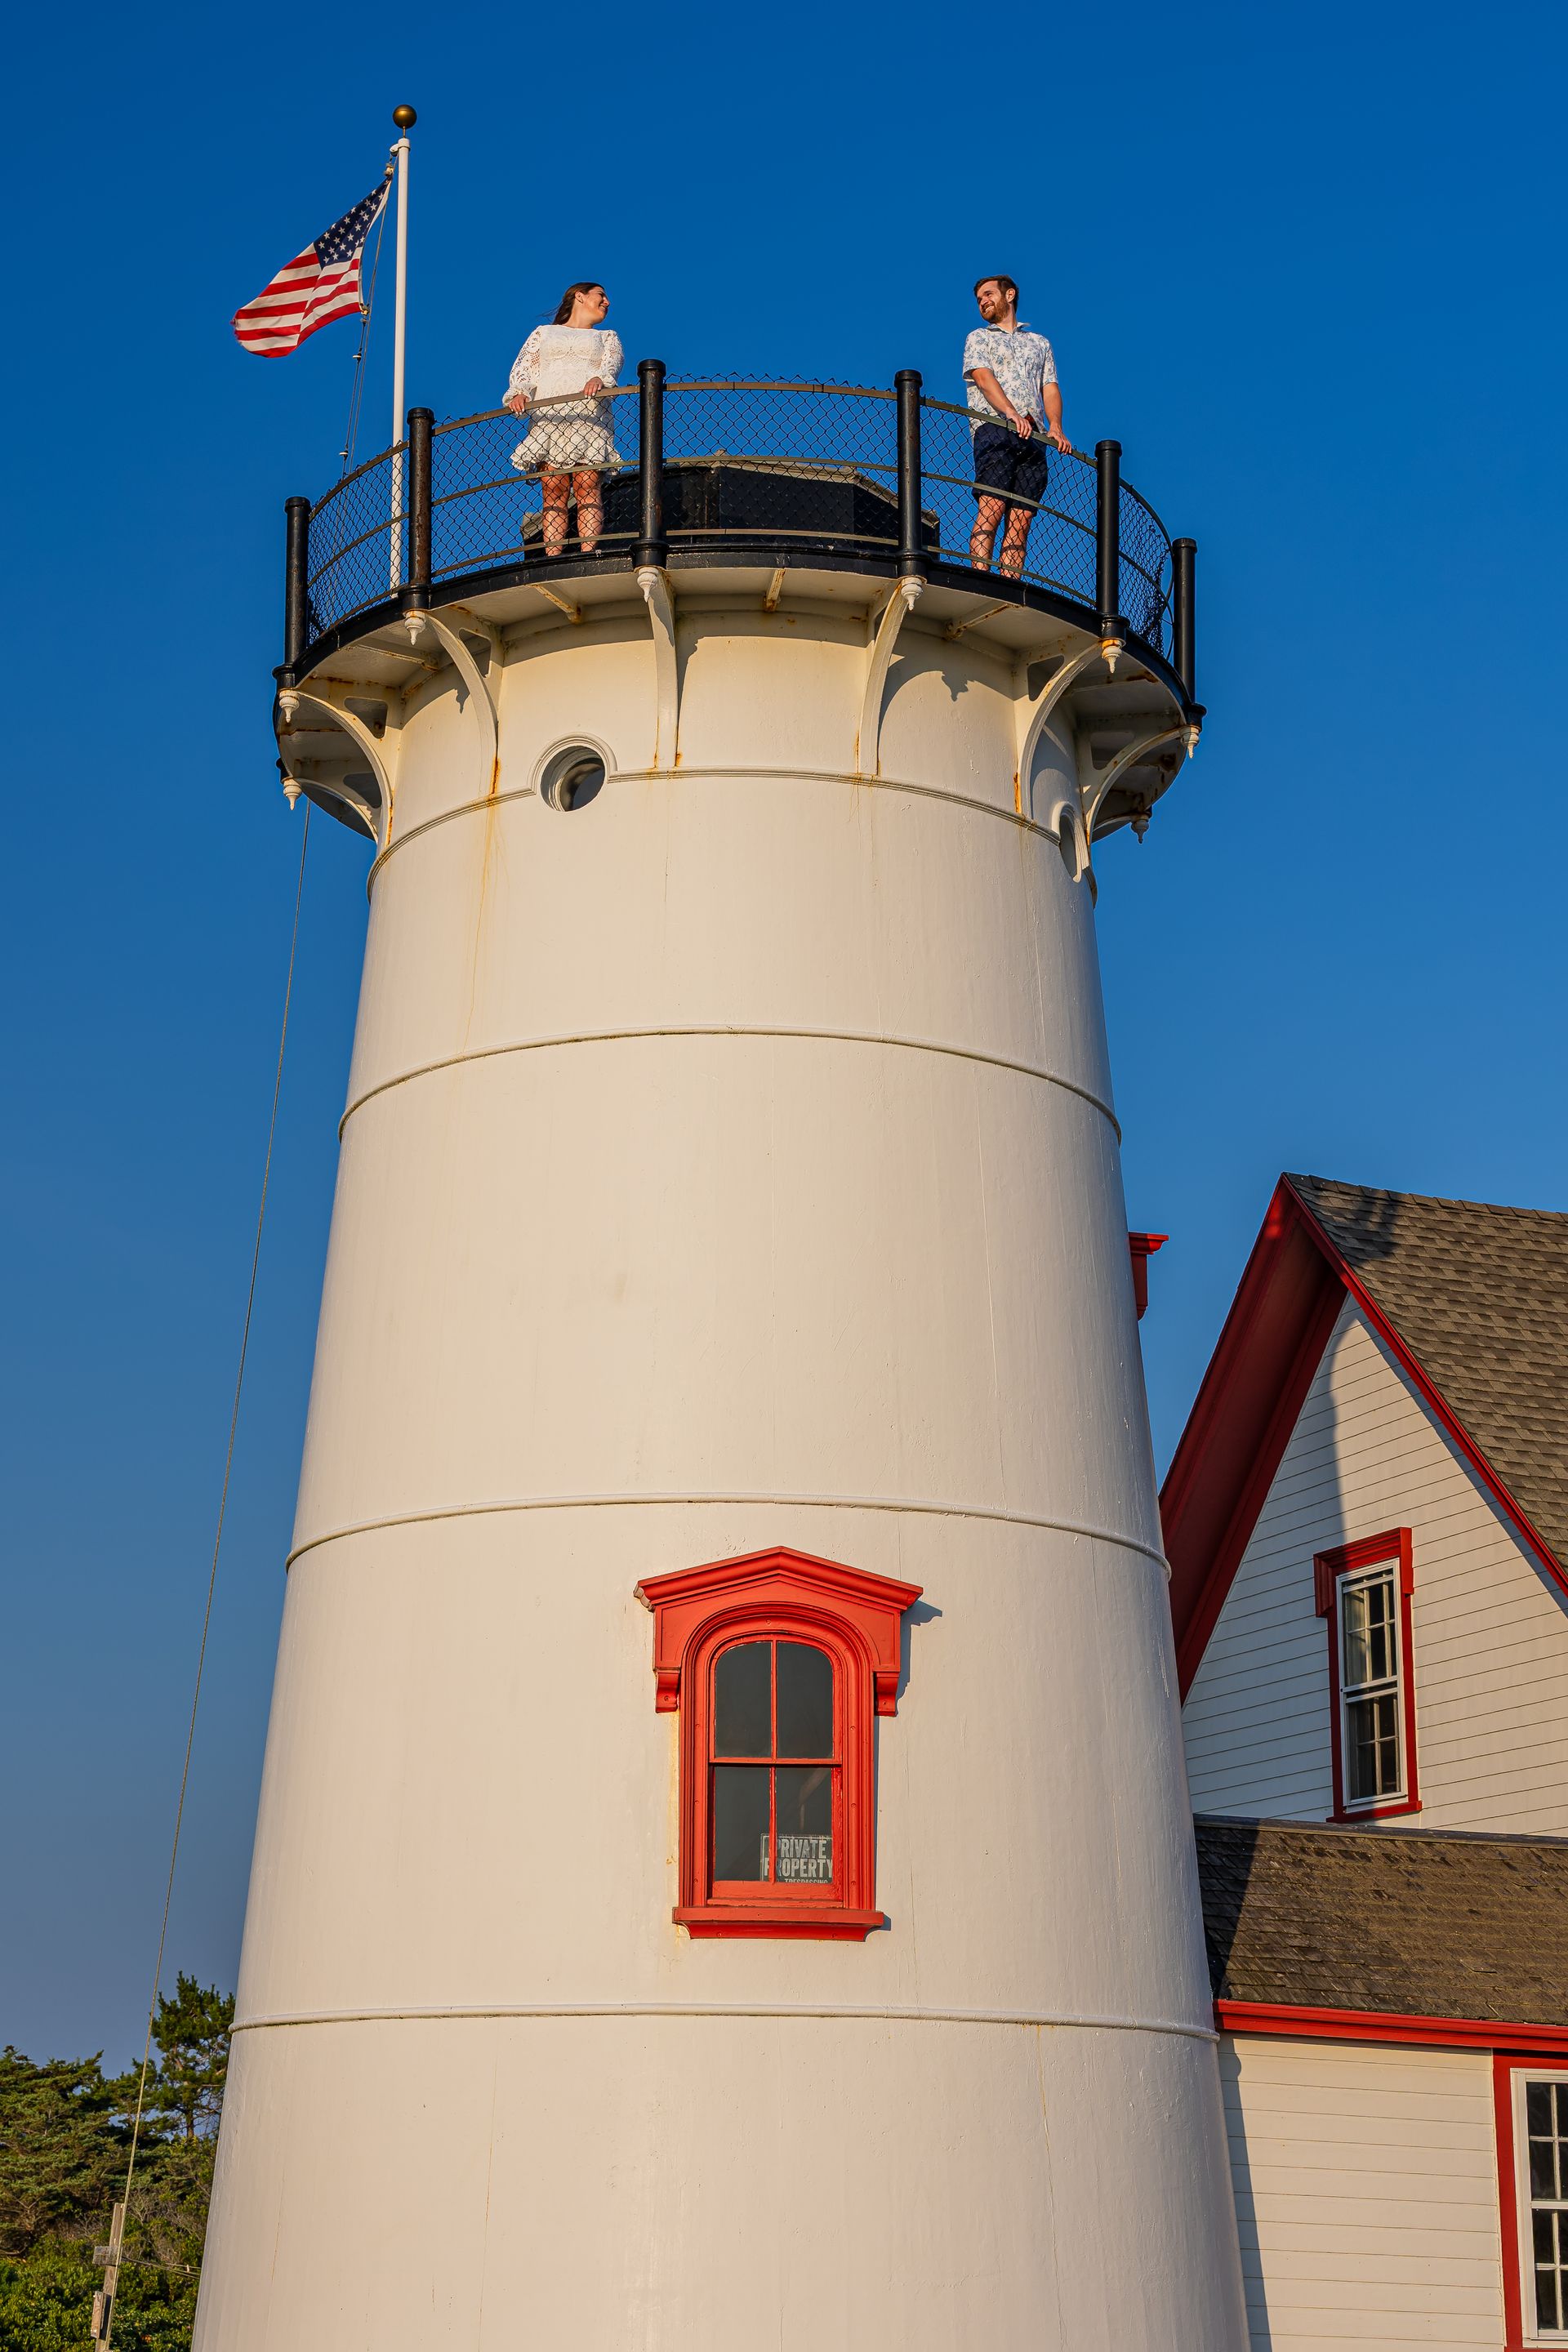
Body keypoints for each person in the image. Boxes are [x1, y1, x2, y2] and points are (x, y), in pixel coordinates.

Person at [963, 275, 1073, 577]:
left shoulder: (1040, 343)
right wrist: (1010, 412)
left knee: (1021, 521)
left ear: (1009, 295)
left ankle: (1010, 585)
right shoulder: (979, 338)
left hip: (1034, 435)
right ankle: (981, 578)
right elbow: (983, 378)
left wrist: (1055, 426)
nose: (983, 302)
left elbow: (1050, 387)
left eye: (988, 294)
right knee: (992, 507)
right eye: (979, 299)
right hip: (995, 427)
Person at [504, 283, 624, 556]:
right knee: (553, 488)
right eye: (601, 295)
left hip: (588, 417)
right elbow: (526, 368)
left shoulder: (607, 337)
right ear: (580, 296)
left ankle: (589, 552)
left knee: (586, 485)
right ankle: (552, 556)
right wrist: (520, 392)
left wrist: (600, 378)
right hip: (550, 417)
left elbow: (611, 365)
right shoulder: (543, 333)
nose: (607, 302)